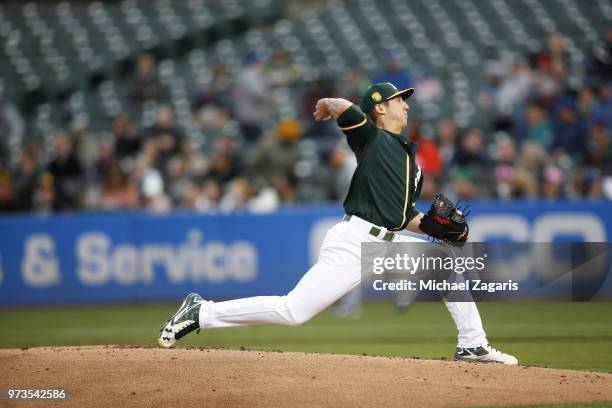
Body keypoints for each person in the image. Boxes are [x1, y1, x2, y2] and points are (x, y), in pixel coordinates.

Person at [157, 82, 519, 365]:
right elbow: (347, 109)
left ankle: (473, 345)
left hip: (386, 242)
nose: (406, 105)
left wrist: (437, 228)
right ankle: (202, 311)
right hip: (354, 241)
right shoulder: (372, 139)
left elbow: (403, 216)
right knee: (293, 311)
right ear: (380, 107)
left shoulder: (413, 162)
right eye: (398, 100)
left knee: (445, 264)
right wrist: (331, 104)